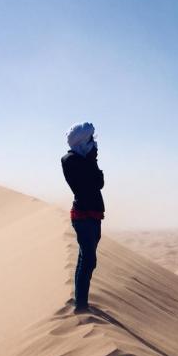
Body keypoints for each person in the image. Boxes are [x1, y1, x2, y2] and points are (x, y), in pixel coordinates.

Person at [61, 122, 104, 313]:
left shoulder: (84, 159)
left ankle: (81, 301)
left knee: (86, 259)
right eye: (90, 140)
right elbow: (88, 184)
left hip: (93, 214)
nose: (94, 144)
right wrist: (91, 161)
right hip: (83, 215)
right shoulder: (71, 160)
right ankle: (81, 305)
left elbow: (99, 183)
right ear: (81, 142)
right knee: (88, 259)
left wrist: (92, 160)